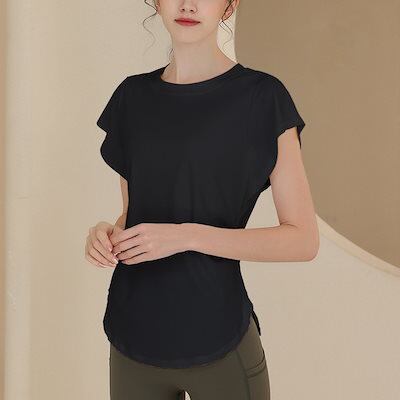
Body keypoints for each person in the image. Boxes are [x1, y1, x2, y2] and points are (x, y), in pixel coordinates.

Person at [85, 0, 319, 399]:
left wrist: (187, 236)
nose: (189, 4)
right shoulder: (132, 97)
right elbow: (135, 212)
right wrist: (106, 233)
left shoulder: (263, 98)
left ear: (230, 5)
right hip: (131, 334)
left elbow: (303, 239)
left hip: (218, 336)